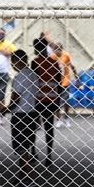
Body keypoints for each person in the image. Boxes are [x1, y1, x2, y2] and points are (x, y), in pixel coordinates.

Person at [31, 37, 62, 167]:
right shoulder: (54, 63)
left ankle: (33, 152)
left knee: (33, 127)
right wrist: (58, 101)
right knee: (49, 128)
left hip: (37, 100)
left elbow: (32, 81)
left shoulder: (35, 62)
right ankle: (49, 156)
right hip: (51, 100)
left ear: (36, 49)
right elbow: (59, 83)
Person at [9, 49, 39, 180]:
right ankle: (22, 175)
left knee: (21, 147)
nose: (12, 65)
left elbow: (16, 98)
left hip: (20, 114)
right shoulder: (33, 74)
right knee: (26, 146)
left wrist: (5, 110)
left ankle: (27, 176)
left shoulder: (20, 76)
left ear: (17, 61)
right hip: (32, 113)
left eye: (13, 62)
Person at [47, 39, 78, 129]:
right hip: (55, 82)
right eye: (55, 50)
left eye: (58, 50)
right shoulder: (52, 57)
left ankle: (66, 118)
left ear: (61, 50)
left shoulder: (66, 55)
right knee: (57, 102)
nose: (57, 52)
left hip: (65, 81)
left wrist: (76, 77)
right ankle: (58, 120)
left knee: (65, 101)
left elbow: (72, 66)